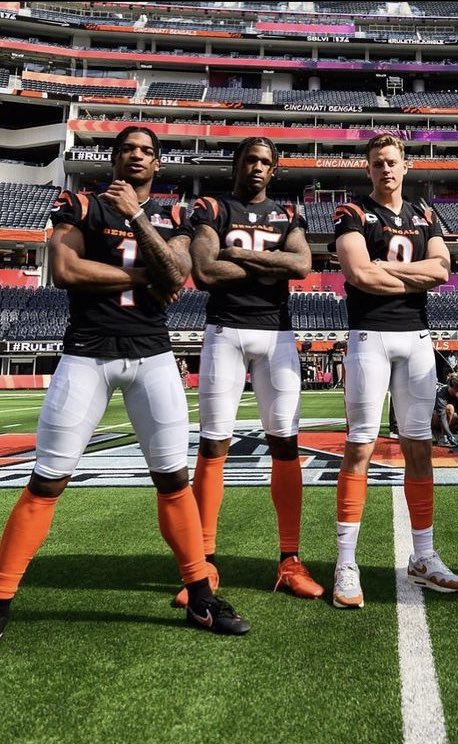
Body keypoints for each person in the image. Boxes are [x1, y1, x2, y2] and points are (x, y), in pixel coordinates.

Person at [0, 126, 250, 638]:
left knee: (173, 480)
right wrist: (144, 279)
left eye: (147, 151)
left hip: (152, 355)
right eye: (128, 149)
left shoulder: (174, 214)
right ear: (113, 159)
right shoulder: (82, 204)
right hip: (87, 353)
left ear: (157, 164)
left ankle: (200, 598)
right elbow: (67, 268)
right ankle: (1, 598)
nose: (137, 156)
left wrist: (137, 217)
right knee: (47, 480)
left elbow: (178, 272)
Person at [331, 133, 458, 608]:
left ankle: (424, 556)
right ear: (367, 169)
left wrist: (386, 271)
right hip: (369, 336)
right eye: (376, 163)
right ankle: (345, 561)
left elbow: (444, 271)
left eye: (392, 162)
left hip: (418, 340)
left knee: (420, 448)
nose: (385, 169)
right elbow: (358, 274)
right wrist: (414, 274)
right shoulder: (352, 212)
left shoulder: (426, 213)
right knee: (359, 447)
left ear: (405, 166)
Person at [187, 136, 323, 602]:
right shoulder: (212, 207)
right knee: (213, 444)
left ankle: (290, 559)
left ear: (275, 169)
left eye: (266, 161)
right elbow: (204, 271)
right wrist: (272, 265)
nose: (258, 167)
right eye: (251, 160)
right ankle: (203, 561)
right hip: (224, 332)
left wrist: (240, 254)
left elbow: (302, 264)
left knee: (285, 444)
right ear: (237, 164)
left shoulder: (289, 214)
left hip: (277, 335)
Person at [432, 373, 458, 445]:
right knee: (450, 408)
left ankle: (446, 433)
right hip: (431, 418)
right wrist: (449, 434)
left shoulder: (457, 395)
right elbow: (442, 417)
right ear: (453, 387)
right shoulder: (441, 393)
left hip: (443, 419)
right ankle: (442, 435)